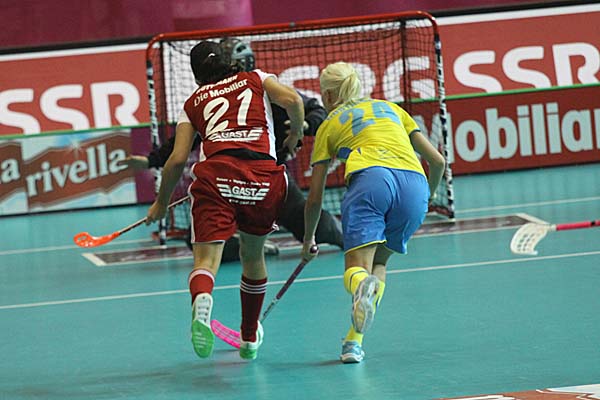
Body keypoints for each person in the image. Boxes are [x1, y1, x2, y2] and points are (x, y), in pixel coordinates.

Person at [146, 40, 305, 361]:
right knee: (253, 256)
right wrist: (295, 134)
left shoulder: (193, 102)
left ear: (196, 74)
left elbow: (177, 160)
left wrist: (161, 203)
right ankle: (249, 336)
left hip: (216, 176)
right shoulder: (256, 78)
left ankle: (203, 299)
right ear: (228, 61)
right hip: (263, 177)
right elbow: (293, 100)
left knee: (205, 261)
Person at [126, 37, 343, 260]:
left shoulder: (261, 88)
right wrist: (151, 160)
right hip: (250, 179)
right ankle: (252, 248)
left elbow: (313, 109)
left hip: (261, 174)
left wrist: (303, 126)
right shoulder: (242, 88)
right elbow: (182, 144)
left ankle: (347, 237)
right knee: (198, 237)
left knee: (308, 221)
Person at [301, 62, 445, 363]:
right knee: (379, 264)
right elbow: (438, 161)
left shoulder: (328, 124)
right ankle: (353, 343)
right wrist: (426, 197)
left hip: (372, 181)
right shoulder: (391, 108)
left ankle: (359, 285)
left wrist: (308, 238)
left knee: (356, 272)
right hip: (415, 186)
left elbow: (314, 198)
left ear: (328, 95)